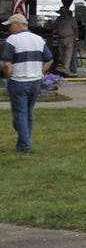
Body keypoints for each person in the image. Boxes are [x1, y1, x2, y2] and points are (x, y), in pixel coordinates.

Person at [4, 13, 51, 153]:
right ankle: (24, 142)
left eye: (10, 25)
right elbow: (49, 59)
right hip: (35, 81)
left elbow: (7, 63)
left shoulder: (12, 40)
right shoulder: (39, 39)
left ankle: (24, 146)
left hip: (18, 81)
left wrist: (9, 77)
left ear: (18, 24)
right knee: (28, 113)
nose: (9, 29)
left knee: (19, 114)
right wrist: (40, 73)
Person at [53, 8, 77, 76]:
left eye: (62, 13)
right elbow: (54, 27)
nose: (61, 14)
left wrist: (76, 39)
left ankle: (65, 71)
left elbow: (76, 29)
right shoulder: (58, 19)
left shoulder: (71, 19)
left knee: (68, 55)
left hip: (69, 37)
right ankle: (65, 68)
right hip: (60, 38)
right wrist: (50, 23)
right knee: (61, 54)